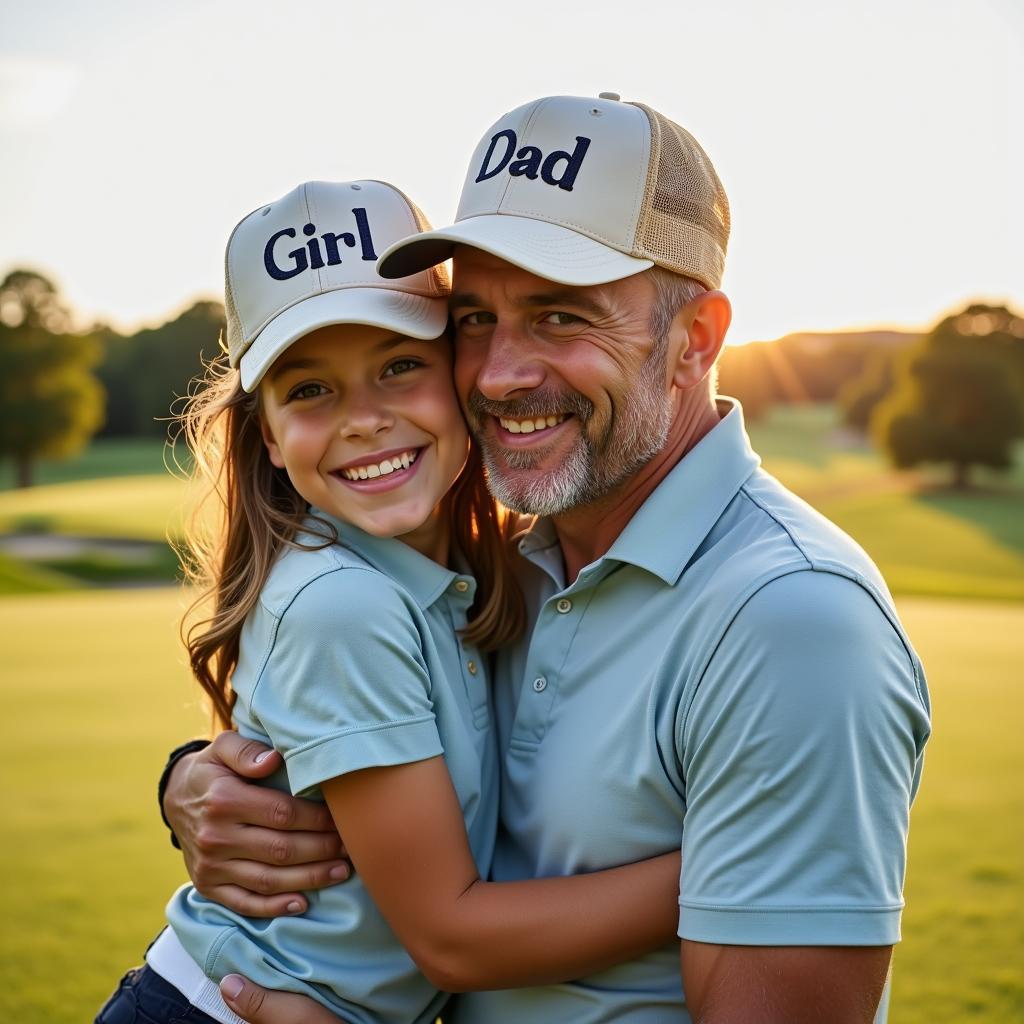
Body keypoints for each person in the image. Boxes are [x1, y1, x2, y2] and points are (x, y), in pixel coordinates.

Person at [164, 95, 932, 1024]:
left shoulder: (792, 618)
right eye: (475, 318)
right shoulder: (503, 569)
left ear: (695, 340)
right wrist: (199, 783)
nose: (497, 373)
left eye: (561, 317)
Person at [96, 177, 685, 1024]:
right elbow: (451, 938)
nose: (364, 419)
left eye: (400, 366)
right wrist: (728, 862)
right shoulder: (344, 603)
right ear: (267, 432)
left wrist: (180, 777)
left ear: (460, 377)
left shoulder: (475, 577)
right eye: (309, 390)